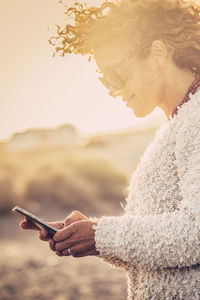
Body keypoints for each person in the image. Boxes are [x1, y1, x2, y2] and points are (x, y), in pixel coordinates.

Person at [20, 0, 200, 298]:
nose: (112, 90)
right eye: (105, 80)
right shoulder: (175, 125)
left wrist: (100, 236)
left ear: (157, 53)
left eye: (117, 74)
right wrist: (90, 236)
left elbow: (195, 234)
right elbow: (162, 244)